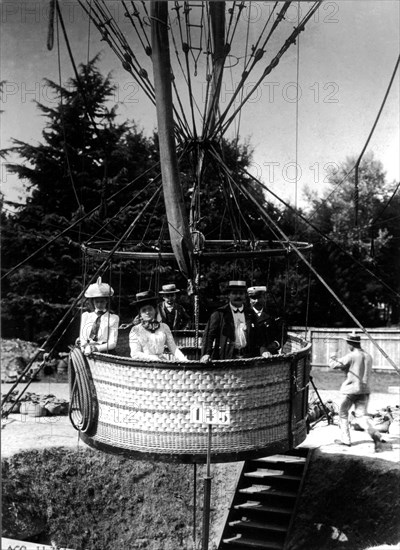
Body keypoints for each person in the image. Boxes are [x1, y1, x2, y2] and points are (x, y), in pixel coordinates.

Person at [329, 331, 387, 451]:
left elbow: (334, 365)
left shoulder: (351, 356)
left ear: (351, 343)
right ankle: (376, 435)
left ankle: (346, 440)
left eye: (348, 343)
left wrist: (332, 356)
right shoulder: (368, 356)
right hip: (365, 390)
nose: (348, 346)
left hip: (351, 390)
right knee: (362, 417)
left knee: (343, 413)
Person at [200, 280, 271, 362]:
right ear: (229, 295)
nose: (238, 296)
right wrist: (206, 354)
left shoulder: (250, 314)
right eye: (234, 293)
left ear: (245, 296)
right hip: (225, 357)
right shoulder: (219, 314)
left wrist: (264, 351)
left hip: (247, 358)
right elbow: (209, 336)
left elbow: (259, 337)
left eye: (241, 294)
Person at [129, 290, 188, 362]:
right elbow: (135, 353)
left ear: (155, 310)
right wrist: (153, 358)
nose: (147, 312)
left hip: (161, 362)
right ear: (140, 314)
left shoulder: (164, 327)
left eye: (150, 309)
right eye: (144, 310)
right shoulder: (136, 330)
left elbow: (173, 348)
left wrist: (184, 360)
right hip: (143, 365)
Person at [79, 277, 119, 356]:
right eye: (97, 302)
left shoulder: (113, 318)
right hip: (86, 350)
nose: (99, 305)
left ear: (107, 301)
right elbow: (82, 337)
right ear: (93, 302)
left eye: (102, 301)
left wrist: (97, 348)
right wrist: (84, 347)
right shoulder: (86, 316)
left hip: (104, 351)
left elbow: (112, 343)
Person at [247, 286, 286, 355]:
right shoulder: (245, 315)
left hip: (270, 354)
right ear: (249, 300)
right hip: (250, 355)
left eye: (259, 297)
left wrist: (275, 344)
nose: (257, 301)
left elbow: (282, 332)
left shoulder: (273, 313)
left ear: (264, 298)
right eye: (253, 298)